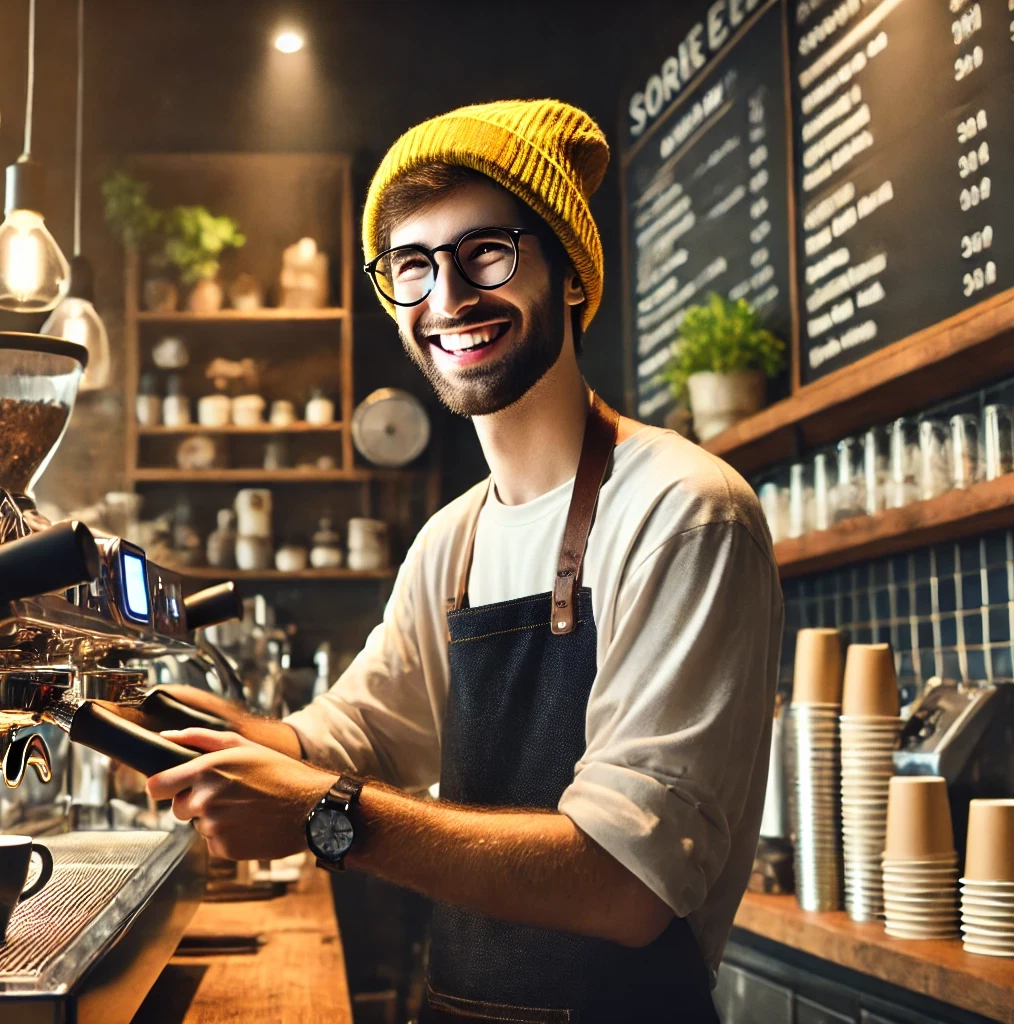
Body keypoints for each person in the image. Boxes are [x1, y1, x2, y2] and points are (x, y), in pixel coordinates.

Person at [145, 99, 782, 1022]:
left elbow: (626, 885)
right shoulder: (454, 540)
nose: (447, 297)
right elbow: (355, 735)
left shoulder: (684, 511)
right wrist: (223, 737)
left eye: (487, 251)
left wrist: (323, 815)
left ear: (568, 271)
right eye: (412, 265)